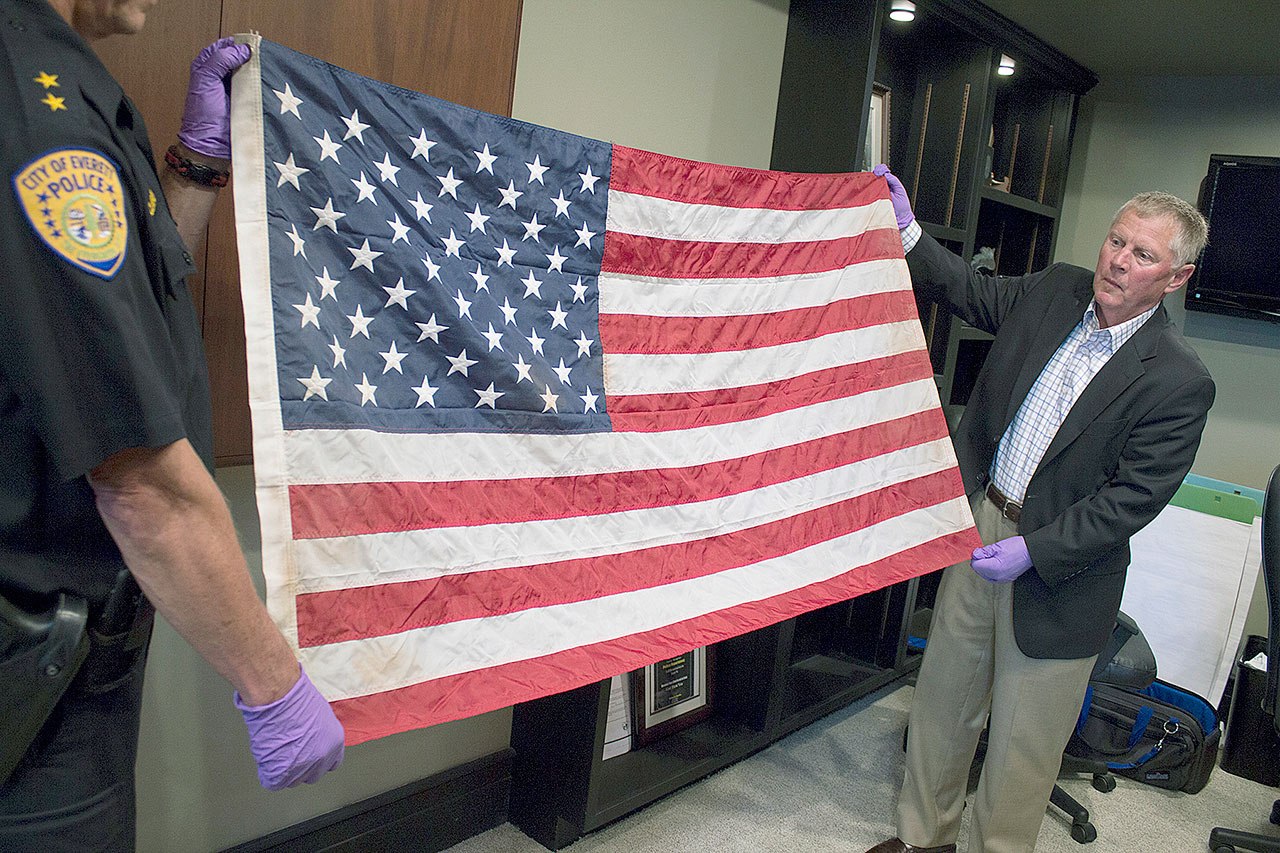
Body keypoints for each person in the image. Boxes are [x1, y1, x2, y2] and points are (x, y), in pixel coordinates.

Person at [0, 1, 345, 849]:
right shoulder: (33, 111)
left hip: (63, 651)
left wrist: (195, 167)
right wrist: (272, 683)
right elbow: (138, 475)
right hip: (34, 668)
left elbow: (133, 320)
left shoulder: (60, 79)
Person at [866, 166, 1214, 853]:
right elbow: (970, 290)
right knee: (942, 705)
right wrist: (907, 230)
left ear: (1175, 277)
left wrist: (1037, 549)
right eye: (1117, 240)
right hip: (981, 526)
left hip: (1062, 568)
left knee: (1021, 750)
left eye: (1143, 254)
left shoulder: (1179, 379)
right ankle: (920, 839)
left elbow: (1131, 500)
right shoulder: (1056, 290)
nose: (1118, 259)